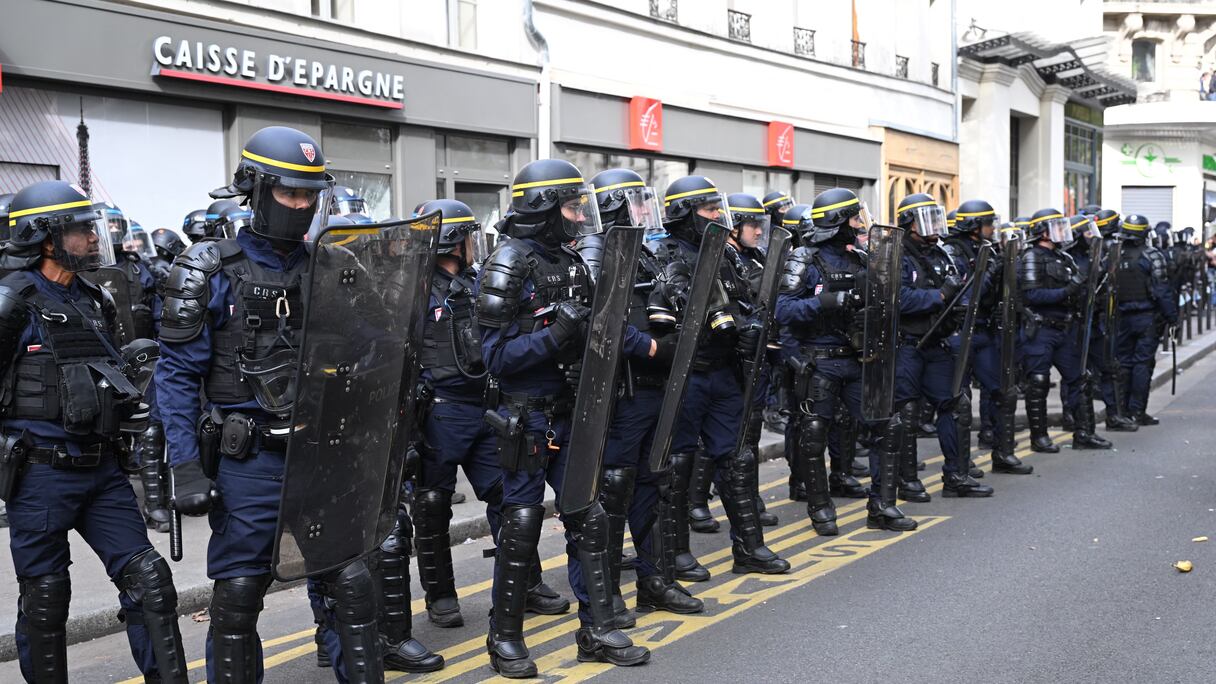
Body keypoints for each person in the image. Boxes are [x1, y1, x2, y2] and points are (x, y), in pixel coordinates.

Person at [157, 126, 390, 682]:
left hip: (323, 453)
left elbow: (381, 349)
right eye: (290, 193)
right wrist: (184, 464)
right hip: (248, 459)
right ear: (256, 191)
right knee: (238, 595)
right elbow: (175, 376)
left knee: (351, 586)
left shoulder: (334, 267)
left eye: (310, 194)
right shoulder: (208, 269)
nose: (302, 205)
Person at [1, 180, 187, 682]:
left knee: (151, 581)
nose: (92, 237)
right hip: (39, 473)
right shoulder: (12, 299)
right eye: (82, 229)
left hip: (101, 471)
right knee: (45, 599)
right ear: (46, 237)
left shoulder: (93, 297)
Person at [477, 159, 652, 677]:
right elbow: (494, 358)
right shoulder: (507, 263)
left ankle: (596, 629)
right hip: (526, 417)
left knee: (588, 515)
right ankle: (504, 636)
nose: (580, 217)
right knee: (523, 523)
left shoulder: (573, 263)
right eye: (572, 206)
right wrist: (554, 336)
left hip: (570, 410)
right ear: (543, 208)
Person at [648, 175, 790, 578]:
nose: (718, 217)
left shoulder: (724, 255)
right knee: (678, 464)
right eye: (709, 210)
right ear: (685, 213)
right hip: (687, 374)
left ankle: (749, 547)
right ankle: (675, 553)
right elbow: (660, 321)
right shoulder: (663, 254)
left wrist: (750, 327)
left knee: (737, 457)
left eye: (718, 208)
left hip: (725, 373)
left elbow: (741, 299)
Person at [587, 167, 704, 622]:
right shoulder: (598, 253)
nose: (643, 210)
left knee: (656, 482)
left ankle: (655, 581)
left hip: (657, 386)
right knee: (615, 489)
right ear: (615, 205)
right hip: (624, 391)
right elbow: (601, 319)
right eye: (634, 202)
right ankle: (609, 590)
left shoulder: (646, 254)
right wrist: (650, 346)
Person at [892, 194, 992, 499]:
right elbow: (900, 298)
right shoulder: (897, 255)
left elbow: (959, 287)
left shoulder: (940, 254)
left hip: (938, 342)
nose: (935, 226)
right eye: (927, 220)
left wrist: (959, 302)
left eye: (936, 219)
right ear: (910, 224)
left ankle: (957, 475)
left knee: (955, 404)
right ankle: (907, 481)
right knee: (906, 412)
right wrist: (939, 297)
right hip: (908, 344)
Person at [942, 199, 1032, 474]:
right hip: (960, 331)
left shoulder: (988, 250)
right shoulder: (952, 253)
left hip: (985, 331)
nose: (992, 228)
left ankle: (1003, 453)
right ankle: (961, 464)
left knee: (1005, 391)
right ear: (973, 226)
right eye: (988, 223)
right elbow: (965, 297)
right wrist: (990, 272)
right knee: (960, 400)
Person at [1018, 207, 1090, 453]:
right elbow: (1032, 294)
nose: (1063, 231)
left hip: (1064, 328)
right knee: (1038, 382)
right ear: (1043, 232)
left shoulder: (1064, 257)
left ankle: (1084, 433)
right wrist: (1069, 290)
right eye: (1057, 227)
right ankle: (1039, 437)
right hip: (1040, 328)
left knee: (1079, 378)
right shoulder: (1031, 257)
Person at [1113, 214, 1178, 425]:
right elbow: (1162, 290)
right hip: (1146, 317)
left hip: (1121, 318)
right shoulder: (1153, 256)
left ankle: (1121, 412)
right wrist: (1172, 317)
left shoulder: (1114, 255)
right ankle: (1137, 412)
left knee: (1123, 364)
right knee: (1142, 364)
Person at [1060, 214, 1114, 450]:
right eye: (1088, 232)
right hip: (1067, 326)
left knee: (1083, 377)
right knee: (1068, 377)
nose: (1092, 235)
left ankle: (1084, 432)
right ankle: (1069, 420)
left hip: (1088, 321)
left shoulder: (1090, 256)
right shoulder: (1068, 258)